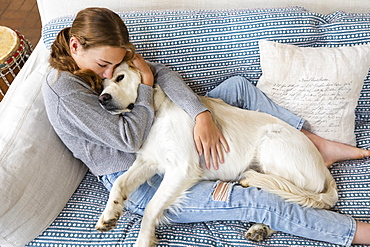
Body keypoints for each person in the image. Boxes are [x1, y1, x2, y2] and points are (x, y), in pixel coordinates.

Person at [43, 7, 370, 246]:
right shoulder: (64, 91)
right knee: (252, 199)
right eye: (104, 66)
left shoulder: (102, 60)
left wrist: (201, 115)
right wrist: (143, 85)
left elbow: (163, 75)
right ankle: (353, 232)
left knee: (238, 88)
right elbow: (127, 138)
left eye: (116, 65)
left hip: (157, 127)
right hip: (132, 161)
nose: (107, 73)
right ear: (76, 47)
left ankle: (313, 140)